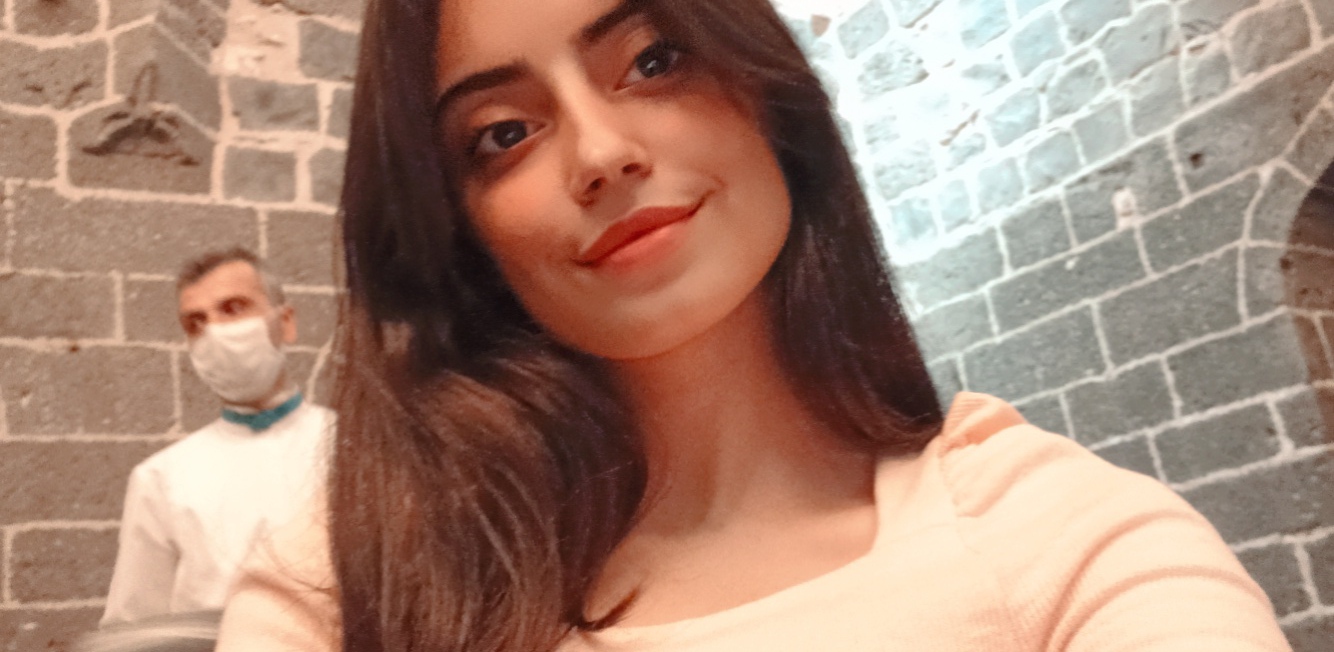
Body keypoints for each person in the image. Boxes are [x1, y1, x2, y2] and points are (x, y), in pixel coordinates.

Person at [216, 0, 1292, 650]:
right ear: (456, 232)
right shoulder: (349, 579)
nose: (601, 153)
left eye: (653, 60)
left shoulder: (1053, 537)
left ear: (766, 90)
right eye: (504, 133)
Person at [101, 248, 333, 626]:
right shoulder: (162, 479)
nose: (215, 333)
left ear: (286, 322)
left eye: (233, 308)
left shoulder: (352, 447)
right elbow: (134, 629)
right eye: (196, 323)